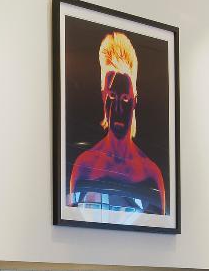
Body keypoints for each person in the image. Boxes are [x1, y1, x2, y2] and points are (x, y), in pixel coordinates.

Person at [66, 30, 166, 216]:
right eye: (112, 96)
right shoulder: (84, 167)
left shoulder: (151, 173)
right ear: (103, 97)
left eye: (125, 98)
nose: (118, 108)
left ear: (135, 101)